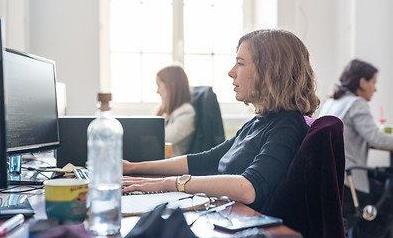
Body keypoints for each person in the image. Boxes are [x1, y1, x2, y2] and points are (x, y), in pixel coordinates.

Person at [123, 29, 320, 211]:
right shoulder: (259, 121)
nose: (231, 72)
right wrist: (134, 167)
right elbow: (206, 159)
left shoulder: (287, 125)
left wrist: (171, 183)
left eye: (240, 63)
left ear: (270, 72)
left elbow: (248, 188)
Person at [319, 59, 393, 238]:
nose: (375, 89)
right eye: (373, 83)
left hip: (330, 177)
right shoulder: (356, 103)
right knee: (388, 199)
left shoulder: (332, 103)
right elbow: (377, 138)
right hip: (349, 181)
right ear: (362, 82)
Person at [155, 65, 195, 157]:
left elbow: (163, 137)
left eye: (159, 85)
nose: (157, 91)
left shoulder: (187, 112)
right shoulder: (166, 111)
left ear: (171, 87)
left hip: (172, 163)